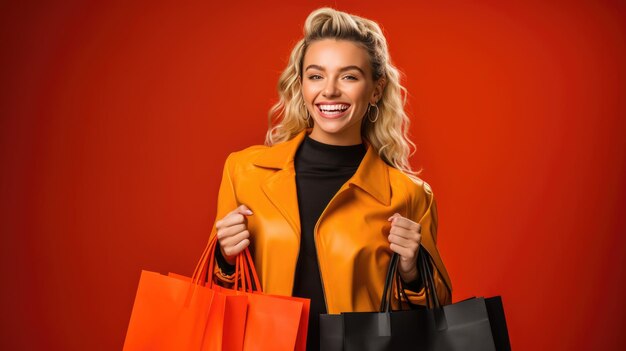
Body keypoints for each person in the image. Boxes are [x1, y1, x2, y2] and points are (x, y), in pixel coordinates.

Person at [208, 7, 452, 350]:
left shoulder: (409, 195)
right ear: (302, 84)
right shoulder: (244, 171)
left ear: (376, 89)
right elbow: (213, 299)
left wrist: (413, 270)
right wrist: (224, 258)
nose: (330, 91)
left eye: (349, 76)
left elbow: (434, 317)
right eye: (316, 75)